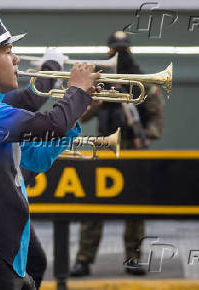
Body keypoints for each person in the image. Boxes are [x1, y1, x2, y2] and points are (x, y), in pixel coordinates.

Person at [0, 0, 99, 288]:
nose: (16, 59)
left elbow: (36, 158)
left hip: (3, 258)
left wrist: (75, 117)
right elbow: (51, 123)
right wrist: (76, 89)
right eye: (7, 51)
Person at [70, 30, 164, 277]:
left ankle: (133, 258)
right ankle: (83, 259)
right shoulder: (102, 80)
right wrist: (94, 98)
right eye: (115, 50)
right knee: (93, 204)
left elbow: (157, 120)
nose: (119, 54)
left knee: (135, 206)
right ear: (109, 51)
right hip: (103, 147)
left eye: (123, 50)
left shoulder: (144, 82)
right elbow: (82, 116)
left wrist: (144, 134)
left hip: (133, 149)